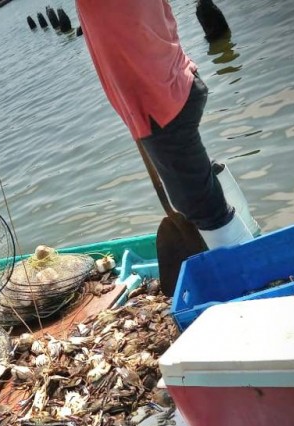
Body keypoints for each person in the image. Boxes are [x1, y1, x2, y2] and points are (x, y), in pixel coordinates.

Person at [74, 0, 253, 248]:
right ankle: (251, 236)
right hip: (177, 80)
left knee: (200, 206)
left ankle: (251, 272)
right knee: (199, 186)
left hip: (159, 103)